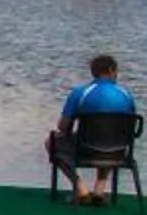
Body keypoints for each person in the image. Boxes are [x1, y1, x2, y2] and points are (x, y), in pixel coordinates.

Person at [48, 53, 137, 205]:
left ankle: (80, 188)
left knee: (51, 142)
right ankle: (99, 190)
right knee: (111, 139)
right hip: (118, 151)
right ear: (111, 70)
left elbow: (63, 127)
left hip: (85, 149)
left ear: (93, 71)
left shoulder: (80, 93)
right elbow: (130, 127)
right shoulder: (126, 95)